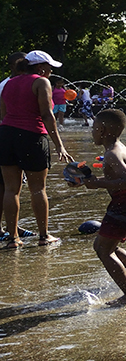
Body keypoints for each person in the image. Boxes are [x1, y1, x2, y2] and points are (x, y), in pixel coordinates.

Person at [77, 109, 126, 305]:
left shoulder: (112, 153)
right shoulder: (118, 148)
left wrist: (97, 184)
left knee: (104, 250)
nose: (92, 132)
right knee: (101, 245)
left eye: (94, 128)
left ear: (103, 130)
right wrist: (89, 181)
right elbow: (119, 178)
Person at [1, 50, 72, 248]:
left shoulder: (8, 83)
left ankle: (13, 239)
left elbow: (3, 113)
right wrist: (59, 145)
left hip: (6, 135)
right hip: (31, 135)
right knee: (38, 189)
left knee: (10, 189)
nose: (50, 71)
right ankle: (44, 236)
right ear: (40, 67)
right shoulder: (41, 82)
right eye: (49, 68)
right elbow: (47, 115)